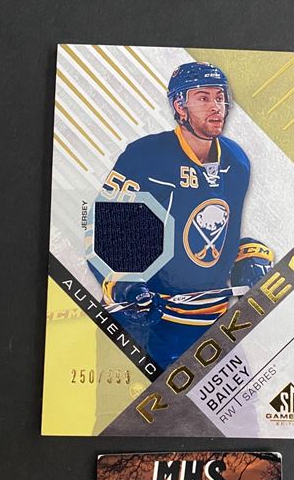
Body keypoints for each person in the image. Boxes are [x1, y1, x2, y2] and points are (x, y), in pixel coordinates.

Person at [91, 62, 274, 368]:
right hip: (144, 325)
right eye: (203, 97)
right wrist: (126, 287)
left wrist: (248, 255)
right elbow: (106, 236)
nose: (216, 106)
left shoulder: (236, 161)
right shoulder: (145, 157)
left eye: (220, 97)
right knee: (132, 401)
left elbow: (221, 238)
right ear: (179, 105)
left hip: (209, 325)